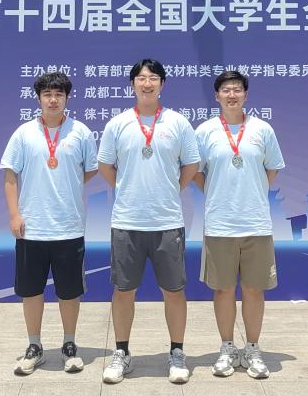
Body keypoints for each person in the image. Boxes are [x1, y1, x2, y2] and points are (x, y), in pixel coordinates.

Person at [96, 58, 200, 384]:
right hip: (127, 221)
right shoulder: (118, 124)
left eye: (154, 77)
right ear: (132, 84)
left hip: (167, 222)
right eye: (141, 78)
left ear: (162, 84)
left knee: (174, 291)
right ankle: (122, 353)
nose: (147, 83)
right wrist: (127, 189)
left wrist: (170, 189)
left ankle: (177, 353)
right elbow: (105, 166)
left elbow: (191, 165)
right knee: (123, 291)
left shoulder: (178, 123)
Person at [0, 71, 98, 375]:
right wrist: (14, 214)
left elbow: (90, 169)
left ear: (67, 98)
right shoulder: (23, 133)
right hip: (32, 227)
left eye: (58, 94)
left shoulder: (80, 132)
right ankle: (35, 346)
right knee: (31, 290)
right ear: (39, 98)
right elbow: (10, 175)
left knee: (69, 291)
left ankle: (69, 344)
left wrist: (67, 185)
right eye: (47, 95)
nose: (53, 100)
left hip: (68, 226)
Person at [194, 70, 285, 379]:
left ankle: (253, 349)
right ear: (216, 96)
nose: (231, 95)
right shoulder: (205, 131)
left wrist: (252, 192)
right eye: (225, 90)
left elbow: (272, 169)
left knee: (254, 290)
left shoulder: (262, 129)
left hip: (256, 224)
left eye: (236, 89)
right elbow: (195, 172)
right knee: (223, 290)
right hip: (220, 224)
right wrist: (216, 192)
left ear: (246, 95)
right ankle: (227, 348)